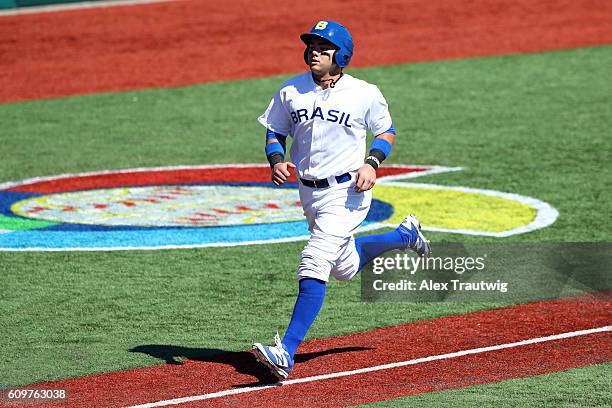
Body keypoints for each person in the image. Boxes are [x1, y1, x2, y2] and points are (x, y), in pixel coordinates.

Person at [252, 20, 431, 381]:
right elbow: (275, 130)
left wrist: (372, 163)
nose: (314, 51)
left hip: (349, 192)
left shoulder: (364, 92)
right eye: (311, 45)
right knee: (344, 267)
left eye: (323, 47)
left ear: (342, 55)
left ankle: (285, 351)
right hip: (309, 192)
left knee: (315, 259)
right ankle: (405, 235)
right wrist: (276, 159)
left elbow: (386, 130)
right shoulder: (291, 91)